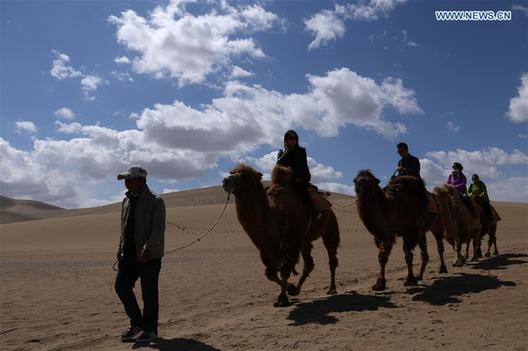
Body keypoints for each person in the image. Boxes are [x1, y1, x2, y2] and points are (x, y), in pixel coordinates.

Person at [114, 166, 166, 343]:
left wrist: (148, 248)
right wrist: (120, 248)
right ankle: (137, 324)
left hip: (149, 256)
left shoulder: (155, 200)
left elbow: (158, 230)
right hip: (128, 255)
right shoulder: (126, 201)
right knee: (121, 286)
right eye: (125, 180)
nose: (127, 183)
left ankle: (151, 331)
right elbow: (124, 228)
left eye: (130, 179)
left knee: (149, 294)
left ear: (142, 181)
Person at [276, 130, 319, 219]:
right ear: (286, 140)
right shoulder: (281, 152)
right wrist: (286, 152)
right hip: (284, 179)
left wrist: (295, 174)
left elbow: (302, 166)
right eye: (290, 138)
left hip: (299, 177)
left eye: (294, 138)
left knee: (300, 187)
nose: (293, 140)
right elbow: (278, 165)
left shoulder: (301, 151)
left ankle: (311, 210)